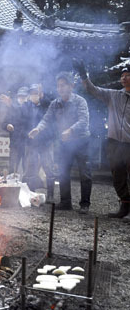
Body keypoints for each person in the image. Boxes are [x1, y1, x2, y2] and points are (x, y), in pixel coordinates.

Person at [29, 72, 92, 213]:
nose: (60, 88)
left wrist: (70, 130)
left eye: (63, 85)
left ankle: (85, 204)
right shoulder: (55, 104)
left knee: (85, 173)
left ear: (72, 86)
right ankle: (65, 202)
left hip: (81, 141)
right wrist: (37, 129)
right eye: (58, 86)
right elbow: (46, 119)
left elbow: (83, 121)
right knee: (63, 172)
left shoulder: (80, 101)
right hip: (65, 142)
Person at [74, 61, 130, 218]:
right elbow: (93, 90)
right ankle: (125, 207)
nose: (124, 78)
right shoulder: (114, 95)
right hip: (114, 142)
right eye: (122, 76)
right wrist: (84, 75)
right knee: (118, 176)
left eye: (128, 76)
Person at [22, 84, 57, 202]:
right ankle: (32, 194)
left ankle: (51, 195)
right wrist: (26, 135)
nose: (33, 95)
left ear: (40, 94)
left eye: (36, 93)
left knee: (48, 168)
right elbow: (23, 122)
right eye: (31, 93)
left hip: (45, 141)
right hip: (31, 142)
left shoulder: (47, 105)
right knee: (31, 168)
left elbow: (51, 123)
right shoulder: (26, 106)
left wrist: (47, 137)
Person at [3, 86, 30, 175]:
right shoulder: (12, 108)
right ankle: (12, 185)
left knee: (26, 165)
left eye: (24, 97)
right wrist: (7, 125)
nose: (22, 98)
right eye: (20, 96)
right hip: (15, 141)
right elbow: (4, 123)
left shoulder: (30, 108)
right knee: (12, 165)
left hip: (27, 142)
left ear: (27, 97)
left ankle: (26, 185)